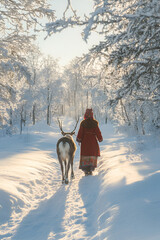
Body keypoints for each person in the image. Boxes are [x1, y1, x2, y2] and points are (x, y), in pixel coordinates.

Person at [76, 108, 103, 176]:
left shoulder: (83, 123)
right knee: (92, 154)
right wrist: (100, 139)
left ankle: (86, 170)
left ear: (85, 115)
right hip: (93, 142)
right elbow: (98, 132)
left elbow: (80, 133)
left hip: (85, 142)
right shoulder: (95, 123)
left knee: (85, 154)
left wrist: (79, 139)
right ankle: (91, 169)